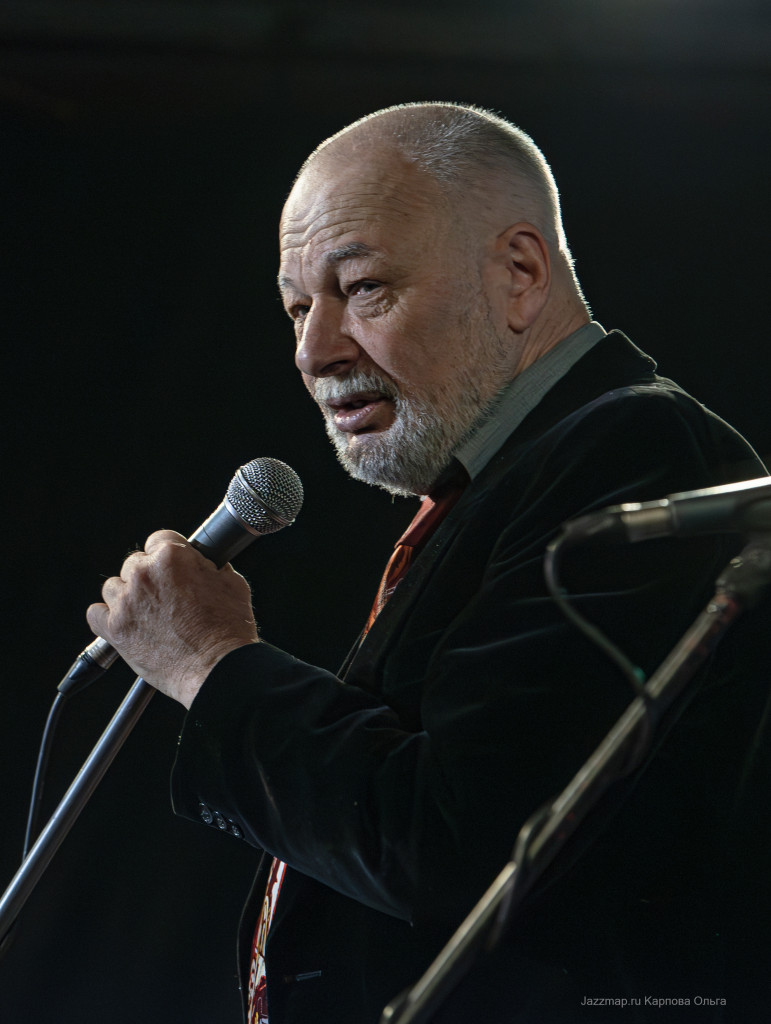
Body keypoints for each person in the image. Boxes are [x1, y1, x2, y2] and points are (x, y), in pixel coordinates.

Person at [86, 103, 769, 1022]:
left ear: (519, 273)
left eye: (362, 287)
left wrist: (212, 665)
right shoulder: (503, 479)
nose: (313, 351)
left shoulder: (635, 450)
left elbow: (462, 841)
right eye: (297, 307)